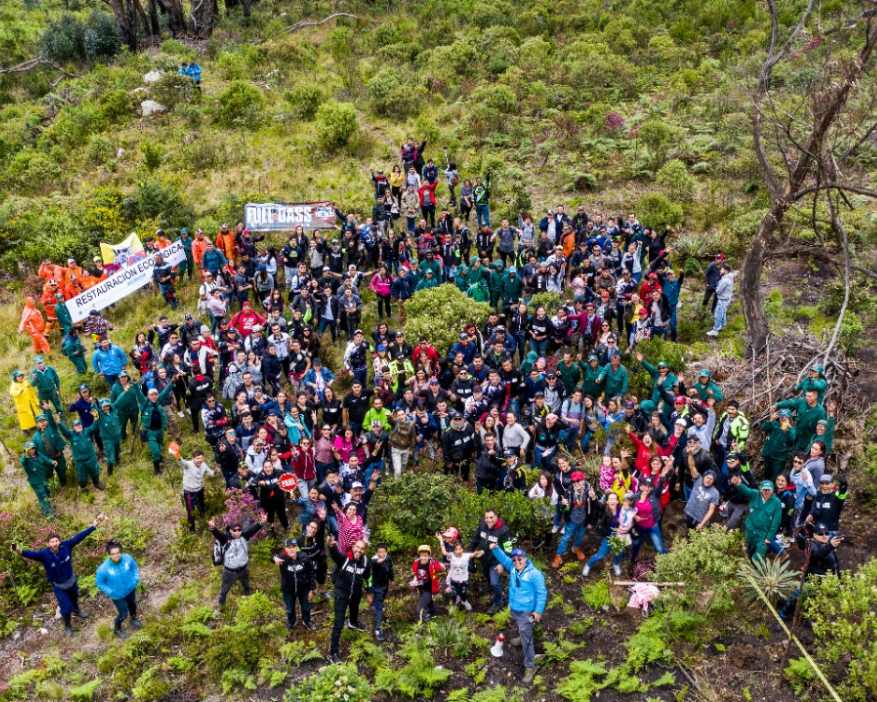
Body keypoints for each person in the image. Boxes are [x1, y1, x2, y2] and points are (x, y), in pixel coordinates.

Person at [15, 515, 106, 634]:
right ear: (48, 544)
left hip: (71, 581)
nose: (55, 543)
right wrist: (18, 550)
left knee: (74, 599)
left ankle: (77, 611)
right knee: (66, 608)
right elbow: (29, 554)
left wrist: (93, 526)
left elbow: (79, 537)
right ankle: (68, 626)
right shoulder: (44, 554)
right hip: (59, 586)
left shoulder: (66, 545)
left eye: (56, 541)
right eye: (52, 542)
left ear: (60, 541)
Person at [488, 544, 547, 684]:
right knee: (522, 628)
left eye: (519, 559)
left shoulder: (535, 574)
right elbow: (503, 558)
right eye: (514, 559)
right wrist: (495, 548)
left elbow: (542, 592)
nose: (516, 562)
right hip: (515, 608)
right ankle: (522, 636)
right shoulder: (513, 568)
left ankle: (531, 665)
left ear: (525, 559)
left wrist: (538, 611)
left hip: (527, 611)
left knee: (527, 641)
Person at [209, 512, 267, 608]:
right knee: (224, 590)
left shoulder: (244, 536)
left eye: (239, 530)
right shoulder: (225, 539)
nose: (237, 532)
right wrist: (213, 528)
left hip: (243, 569)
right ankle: (220, 607)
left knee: (246, 585)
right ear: (230, 531)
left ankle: (248, 597)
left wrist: (262, 522)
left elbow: (254, 529)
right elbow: (217, 534)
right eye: (234, 530)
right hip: (229, 572)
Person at [327, 537, 371, 663]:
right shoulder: (345, 559)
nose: (359, 550)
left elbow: (368, 577)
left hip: (355, 593)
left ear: (364, 551)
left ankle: (353, 623)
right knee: (339, 623)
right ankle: (333, 653)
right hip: (341, 594)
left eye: (362, 548)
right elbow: (335, 554)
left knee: (354, 609)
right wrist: (331, 546)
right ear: (353, 547)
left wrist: (369, 591)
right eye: (357, 547)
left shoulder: (366, 562)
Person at [469, 509, 512, 614]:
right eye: (487, 517)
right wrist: (468, 554)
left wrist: (502, 564)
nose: (488, 520)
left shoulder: (504, 530)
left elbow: (509, 549)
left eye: (491, 517)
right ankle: (498, 594)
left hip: (496, 562)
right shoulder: (482, 525)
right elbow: (475, 540)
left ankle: (498, 603)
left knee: (494, 582)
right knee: (489, 580)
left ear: (496, 517)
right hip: (484, 559)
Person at [95, 540, 141, 638]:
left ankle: (133, 619)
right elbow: (100, 583)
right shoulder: (103, 568)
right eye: (113, 554)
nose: (116, 556)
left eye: (118, 553)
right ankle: (117, 628)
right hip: (117, 595)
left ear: (120, 551)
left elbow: (134, 568)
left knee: (132, 605)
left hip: (130, 589)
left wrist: (136, 578)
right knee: (123, 613)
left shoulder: (128, 558)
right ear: (109, 555)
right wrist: (110, 591)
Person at [730, 476, 782, 560]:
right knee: (746, 552)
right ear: (760, 489)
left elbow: (776, 521)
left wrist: (769, 537)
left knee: (758, 557)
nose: (766, 492)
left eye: (769, 490)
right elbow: (746, 490)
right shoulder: (755, 494)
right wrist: (739, 484)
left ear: (772, 490)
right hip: (749, 530)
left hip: (763, 534)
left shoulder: (776, 502)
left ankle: (755, 569)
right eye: (764, 489)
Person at [273, 539, 315, 630]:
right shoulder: (282, 558)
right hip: (288, 589)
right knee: (289, 608)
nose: (291, 549)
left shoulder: (304, 557)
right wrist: (274, 558)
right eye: (289, 547)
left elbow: (311, 573)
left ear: (297, 548)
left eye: (293, 547)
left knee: (306, 607)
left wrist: (312, 589)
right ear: (286, 549)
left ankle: (307, 621)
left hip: (303, 588)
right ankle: (291, 621)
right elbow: (272, 556)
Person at [437, 536, 482, 611]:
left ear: (462, 549)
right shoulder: (451, 556)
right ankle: (457, 602)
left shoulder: (466, 556)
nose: (459, 551)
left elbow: (476, 554)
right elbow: (444, 552)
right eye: (456, 549)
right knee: (453, 593)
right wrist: (441, 540)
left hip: (463, 581)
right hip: (454, 581)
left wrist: (481, 551)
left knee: (463, 594)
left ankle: (464, 601)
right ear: (454, 551)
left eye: (460, 549)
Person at [140, 382, 175, 474]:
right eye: (151, 395)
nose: (154, 396)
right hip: (150, 432)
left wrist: (172, 381)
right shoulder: (145, 404)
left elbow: (165, 392)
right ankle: (157, 470)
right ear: (148, 396)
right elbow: (138, 394)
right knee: (155, 451)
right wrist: (135, 385)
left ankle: (160, 459)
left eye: (155, 394)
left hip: (160, 431)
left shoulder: (158, 403)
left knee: (159, 447)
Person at [179, 450, 216, 531]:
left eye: (201, 458)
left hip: (199, 491)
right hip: (189, 492)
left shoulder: (204, 465)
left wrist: (216, 471)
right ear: (193, 458)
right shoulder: (188, 464)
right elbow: (181, 461)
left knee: (202, 509)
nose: (200, 460)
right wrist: (177, 454)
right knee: (191, 512)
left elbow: (211, 473)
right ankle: (192, 530)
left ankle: (206, 525)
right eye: (197, 458)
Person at [19, 441, 55, 517]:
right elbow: (22, 462)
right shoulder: (25, 459)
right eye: (30, 449)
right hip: (36, 482)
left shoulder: (38, 454)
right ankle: (48, 514)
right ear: (27, 450)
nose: (32, 451)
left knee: (47, 492)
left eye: (33, 448)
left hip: (43, 478)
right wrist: (25, 455)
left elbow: (45, 459)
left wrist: (52, 462)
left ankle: (49, 506)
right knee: (42, 496)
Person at [411, 544, 444, 623]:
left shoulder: (432, 563)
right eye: (422, 555)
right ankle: (435, 613)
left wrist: (442, 566)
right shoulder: (416, 563)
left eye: (425, 555)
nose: (423, 557)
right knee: (429, 603)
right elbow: (416, 574)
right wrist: (414, 581)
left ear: (429, 555)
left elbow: (440, 568)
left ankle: (426, 622)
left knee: (420, 608)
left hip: (429, 589)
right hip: (421, 588)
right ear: (419, 555)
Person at [368, 544, 394, 641]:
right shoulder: (373, 560)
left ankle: (375, 605)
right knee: (379, 607)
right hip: (376, 586)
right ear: (376, 553)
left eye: (383, 552)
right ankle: (378, 630)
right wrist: (379, 562)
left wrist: (392, 578)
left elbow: (390, 569)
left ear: (386, 552)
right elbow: (374, 564)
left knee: (380, 600)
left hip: (384, 585)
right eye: (379, 552)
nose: (381, 554)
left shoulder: (388, 559)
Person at [706, 264, 734, 337]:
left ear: (725, 270)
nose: (720, 270)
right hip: (726, 298)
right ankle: (723, 326)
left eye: (721, 269)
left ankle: (715, 330)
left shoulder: (725, 280)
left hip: (723, 299)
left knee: (718, 314)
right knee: (722, 313)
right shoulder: (728, 278)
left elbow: (718, 291)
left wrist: (712, 286)